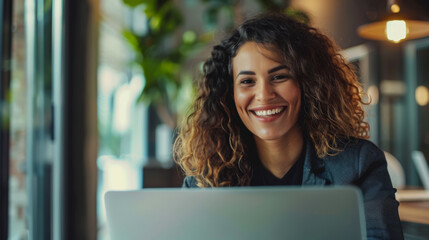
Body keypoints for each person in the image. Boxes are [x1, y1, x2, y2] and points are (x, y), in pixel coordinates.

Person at [173, 13, 403, 239]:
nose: (263, 95)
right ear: (228, 94)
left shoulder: (359, 165)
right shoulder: (204, 183)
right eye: (247, 81)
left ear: (308, 83)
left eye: (279, 77)